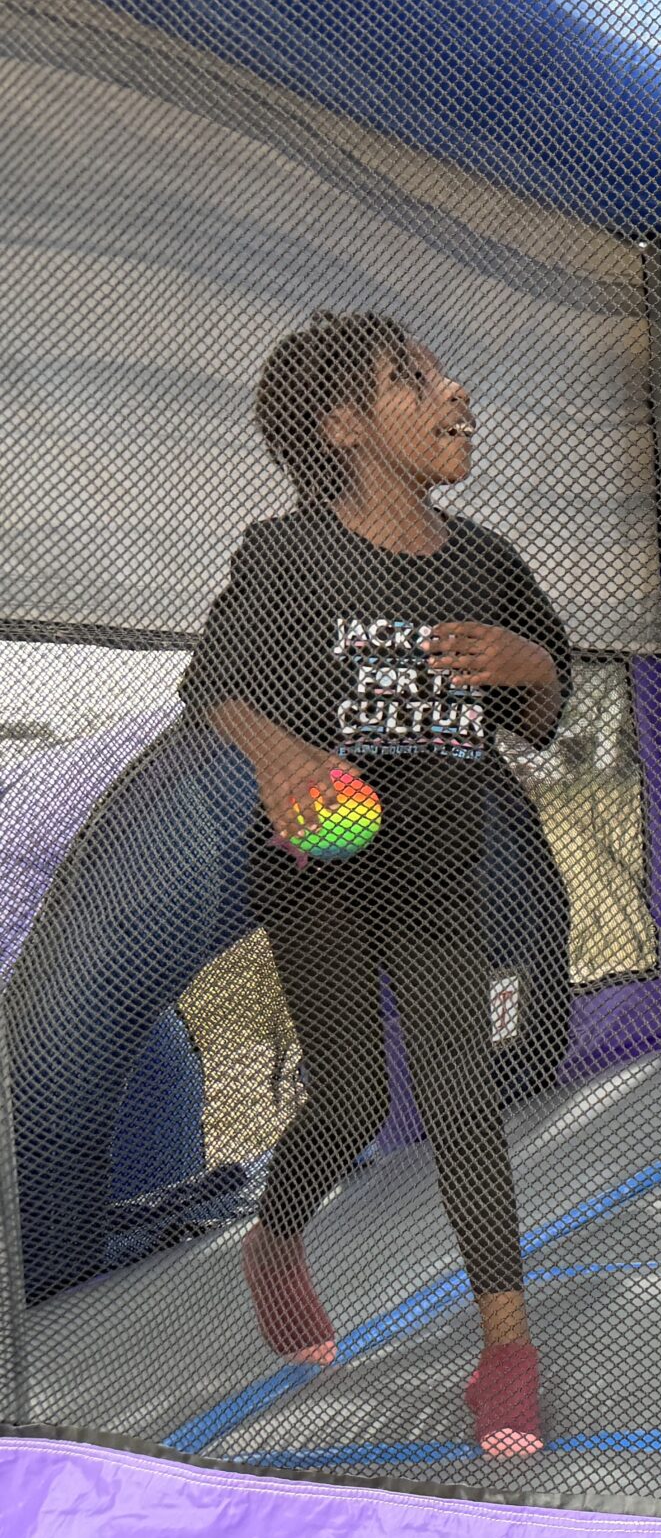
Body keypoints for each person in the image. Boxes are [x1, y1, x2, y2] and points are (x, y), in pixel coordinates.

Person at [184, 311, 570, 1457]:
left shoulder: (485, 562)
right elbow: (213, 681)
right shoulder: (286, 552)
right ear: (344, 425)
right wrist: (282, 760)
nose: (456, 392)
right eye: (415, 379)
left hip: (438, 868)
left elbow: (543, 711)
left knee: (460, 1091)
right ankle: (275, 1236)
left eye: (446, 374)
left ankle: (505, 1353)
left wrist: (529, 665)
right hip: (321, 869)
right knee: (350, 1096)